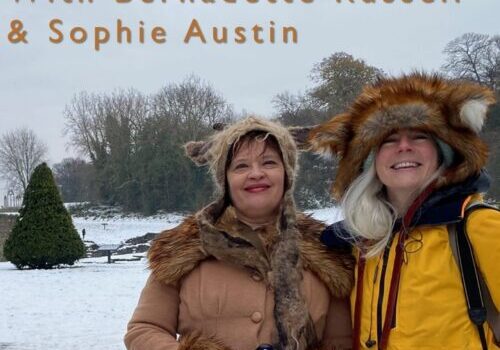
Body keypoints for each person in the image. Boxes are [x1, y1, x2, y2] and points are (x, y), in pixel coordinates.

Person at [125, 117, 354, 350]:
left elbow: (341, 342)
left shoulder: (327, 252)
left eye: (269, 163)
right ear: (225, 179)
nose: (256, 173)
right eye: (241, 166)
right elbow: (144, 329)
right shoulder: (181, 249)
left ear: (286, 174)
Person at [307, 73, 499, 350]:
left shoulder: (479, 226)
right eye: (388, 140)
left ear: (441, 152)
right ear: (371, 161)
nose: (404, 147)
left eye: (419, 136)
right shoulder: (359, 241)